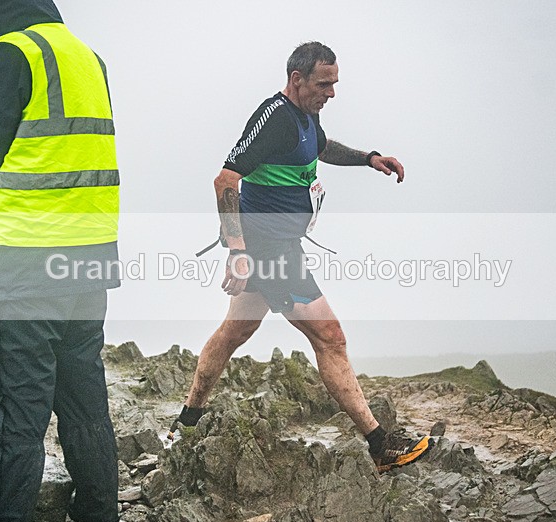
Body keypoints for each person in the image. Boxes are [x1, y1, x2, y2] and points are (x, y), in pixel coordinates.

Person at [170, 42, 433, 473]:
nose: (331, 93)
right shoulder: (274, 118)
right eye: (323, 84)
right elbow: (225, 180)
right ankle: (380, 444)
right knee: (330, 337)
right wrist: (238, 252)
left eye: (334, 84)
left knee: (233, 333)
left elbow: (321, 148)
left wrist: (369, 159)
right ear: (297, 80)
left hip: (277, 245)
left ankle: (187, 422)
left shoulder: (307, 117)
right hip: (267, 249)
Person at [0, 1, 120, 522]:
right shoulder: (88, 57)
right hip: (87, 259)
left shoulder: (13, 53)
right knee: (86, 408)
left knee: (18, 420)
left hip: (23, 264)